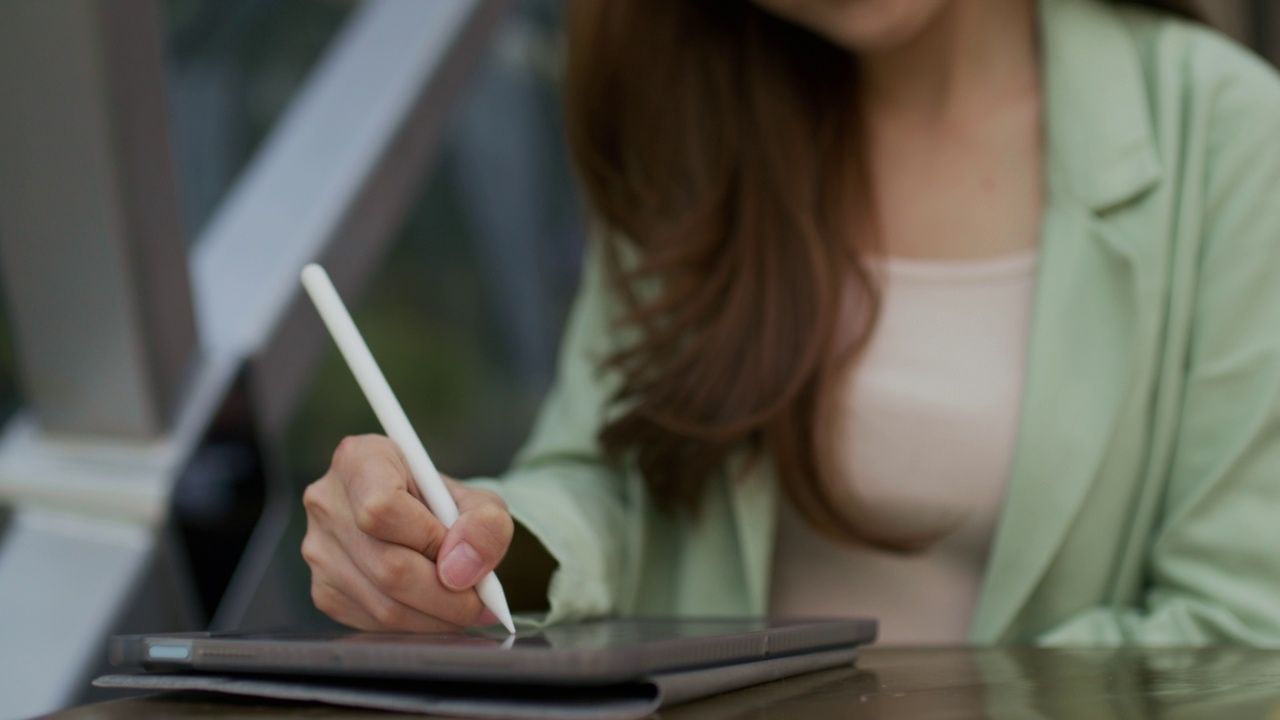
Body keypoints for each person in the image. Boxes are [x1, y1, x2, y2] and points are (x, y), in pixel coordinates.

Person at [300, 0, 1280, 644]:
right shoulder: (698, 113)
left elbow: (1241, 623)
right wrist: (473, 542)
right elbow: (610, 477)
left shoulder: (1227, 140)